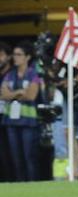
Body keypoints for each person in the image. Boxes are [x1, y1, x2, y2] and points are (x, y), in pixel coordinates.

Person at [0, 43, 41, 181]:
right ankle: (20, 183)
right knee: (16, 156)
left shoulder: (33, 74)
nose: (15, 58)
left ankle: (32, 183)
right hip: (11, 121)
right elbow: (3, 95)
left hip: (28, 122)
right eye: (14, 54)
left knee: (29, 156)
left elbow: (31, 95)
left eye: (19, 55)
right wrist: (19, 92)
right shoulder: (9, 75)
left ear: (27, 57)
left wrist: (12, 94)